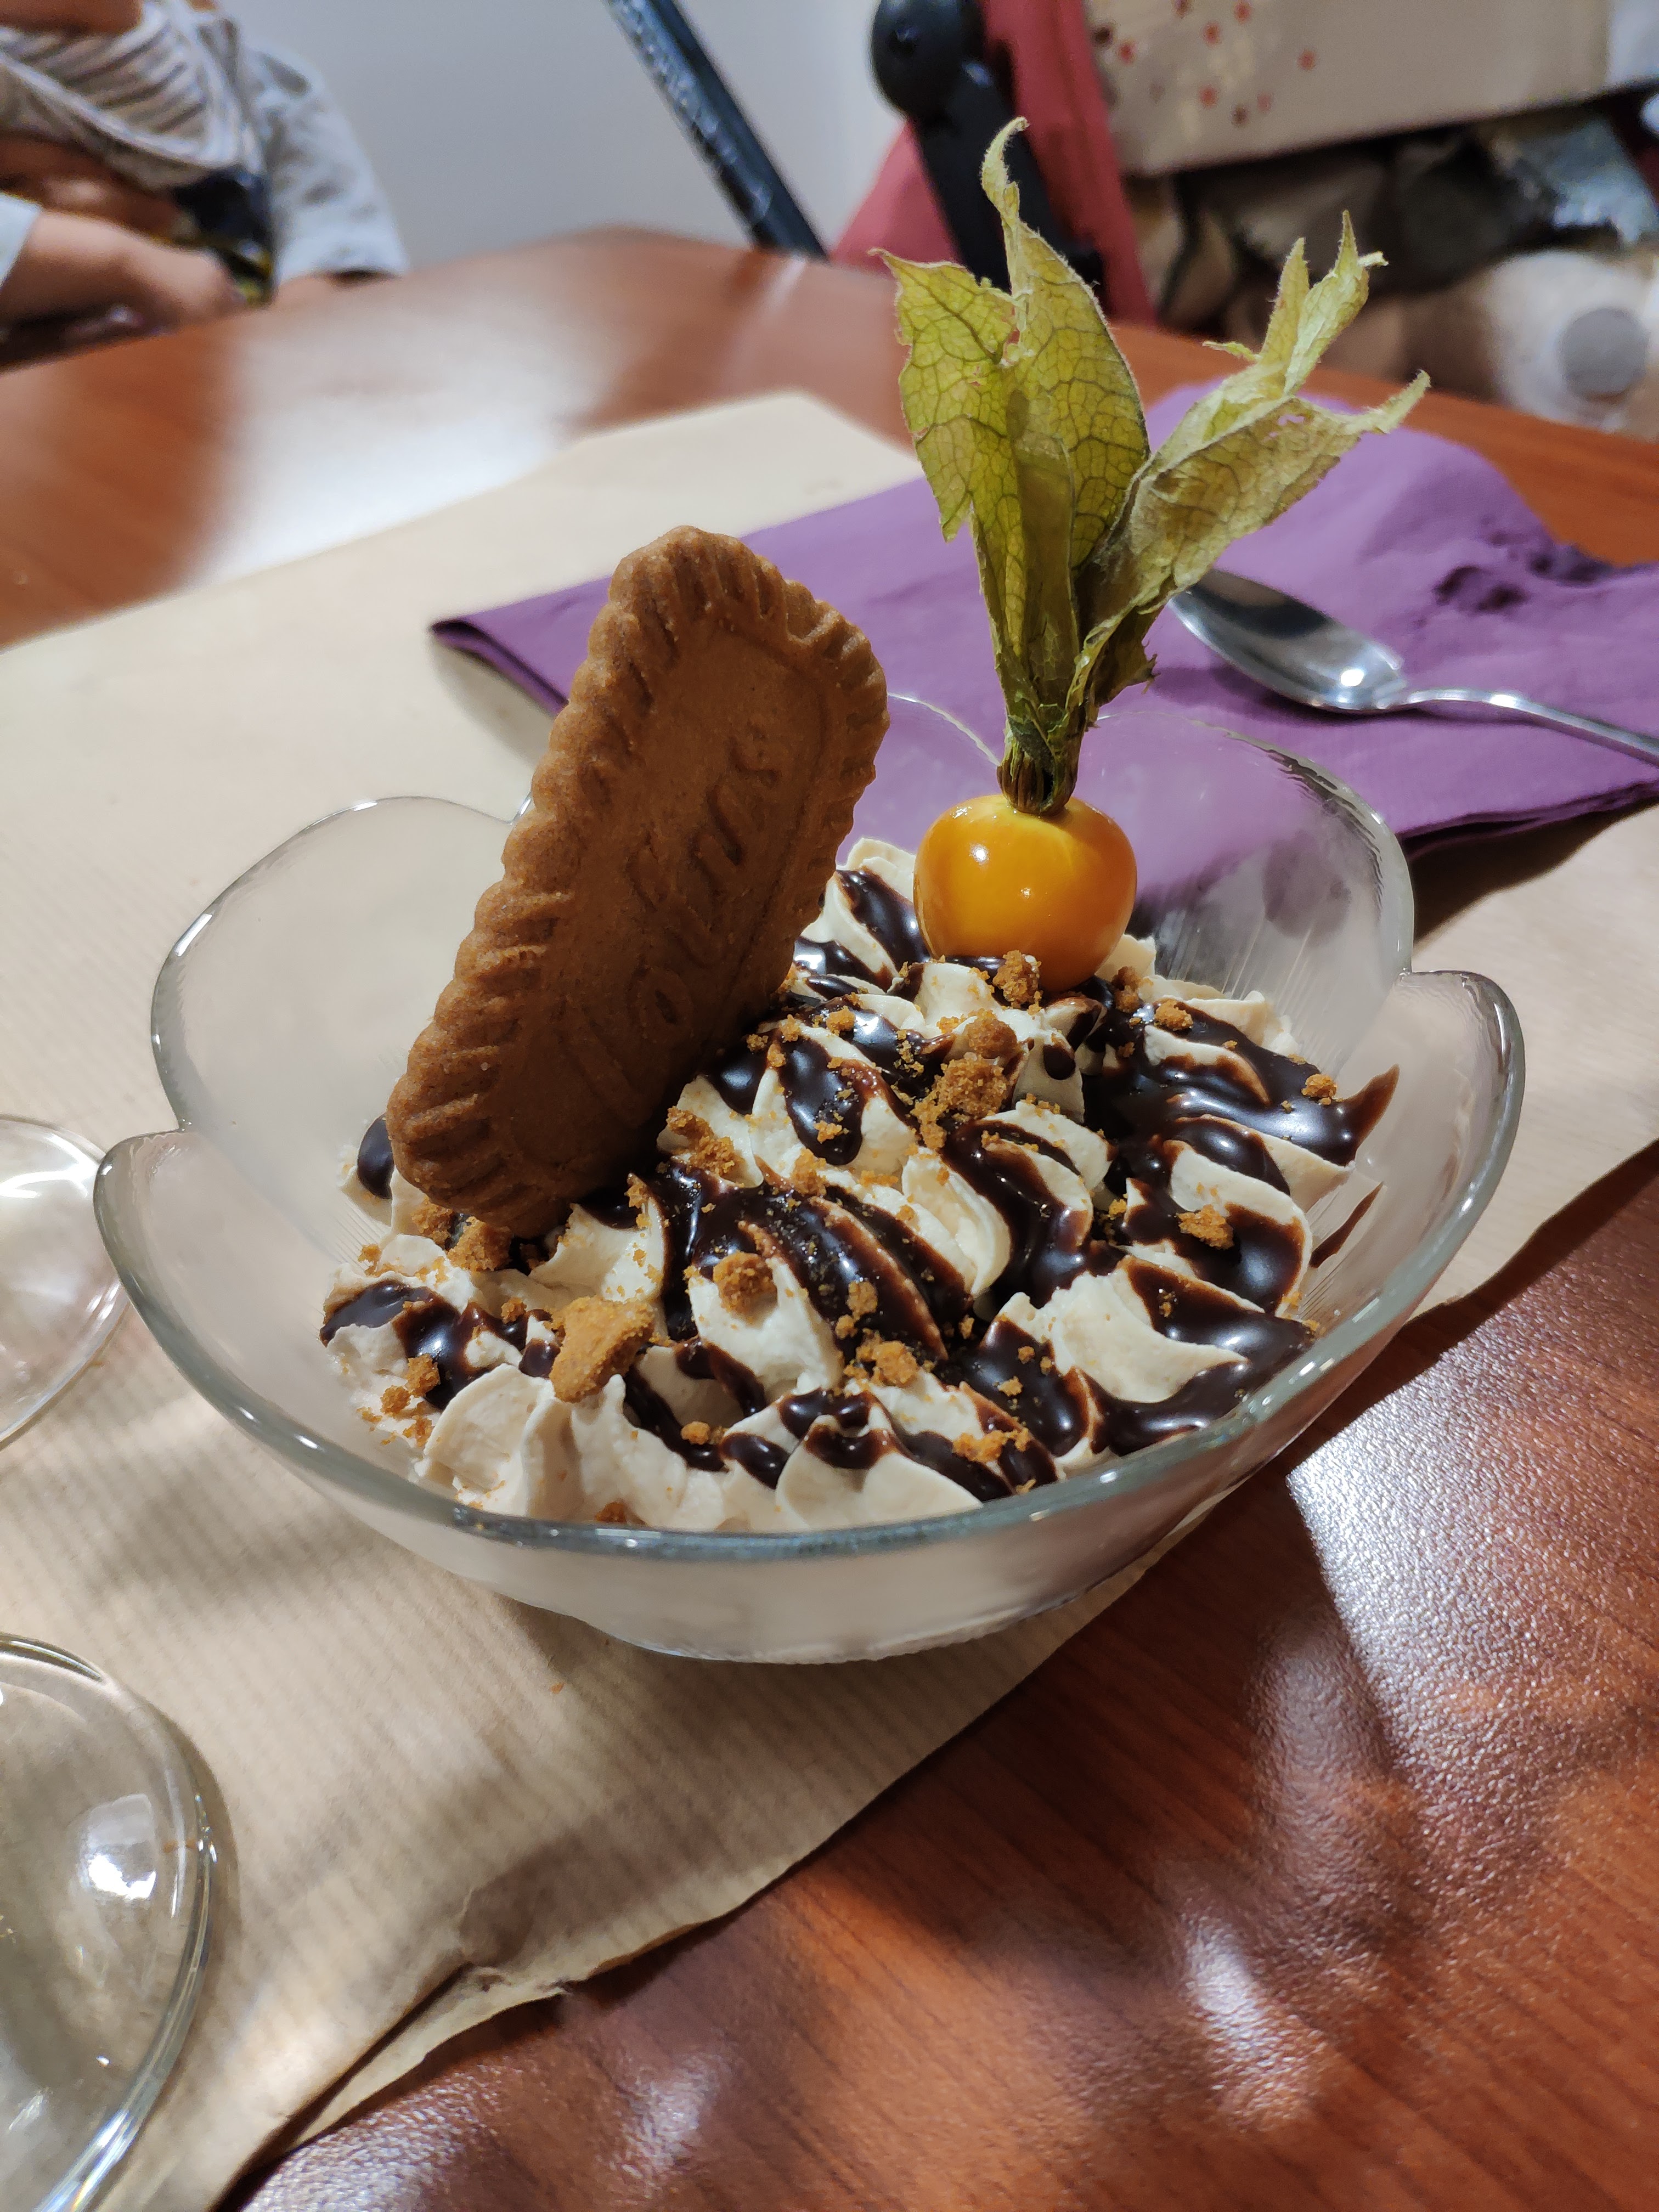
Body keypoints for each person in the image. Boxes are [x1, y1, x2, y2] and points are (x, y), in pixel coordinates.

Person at [0, 0, 405, 340]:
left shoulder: (264, 84)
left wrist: (270, 348)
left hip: (241, 361)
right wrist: (125, 264)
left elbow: (343, 256)